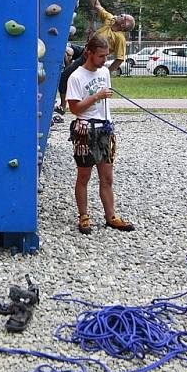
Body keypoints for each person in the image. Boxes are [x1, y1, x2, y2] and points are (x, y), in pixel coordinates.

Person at [66, 35, 135, 235]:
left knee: (107, 177)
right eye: (101, 56)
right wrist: (96, 96)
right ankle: (84, 216)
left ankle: (111, 216)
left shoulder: (104, 72)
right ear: (89, 53)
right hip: (85, 130)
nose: (104, 60)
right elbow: (75, 108)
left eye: (106, 56)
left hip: (104, 129)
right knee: (84, 176)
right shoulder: (76, 77)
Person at [54, 0, 135, 115]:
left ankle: (63, 106)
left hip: (89, 57)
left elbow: (119, 59)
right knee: (66, 49)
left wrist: (106, 71)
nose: (119, 15)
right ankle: (71, 68)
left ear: (124, 24)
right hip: (85, 49)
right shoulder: (110, 20)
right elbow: (97, 6)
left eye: (122, 16)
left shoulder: (119, 38)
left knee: (63, 77)